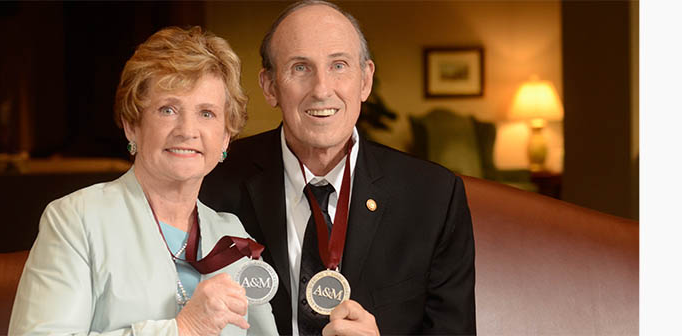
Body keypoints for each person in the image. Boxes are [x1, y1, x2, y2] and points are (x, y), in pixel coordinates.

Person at [199, 1, 477, 335]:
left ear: (365, 80)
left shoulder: (433, 197)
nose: (321, 90)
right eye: (300, 68)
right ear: (270, 86)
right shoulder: (211, 180)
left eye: (339, 66)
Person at [8, 26, 278, 335]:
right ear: (132, 125)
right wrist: (181, 329)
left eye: (207, 113)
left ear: (226, 137)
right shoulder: (76, 221)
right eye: (168, 109)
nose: (187, 130)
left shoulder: (232, 235)